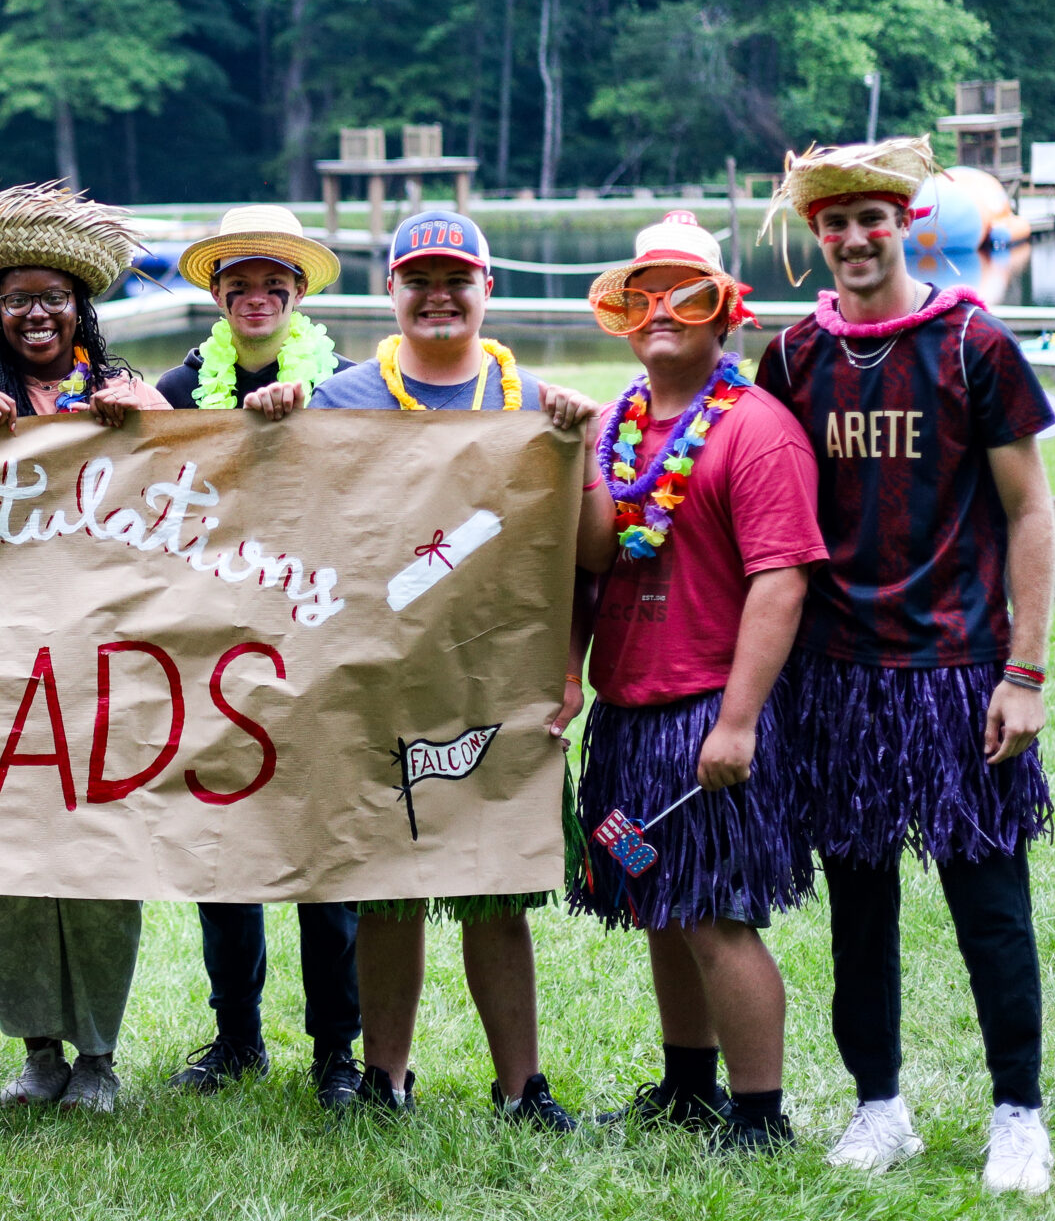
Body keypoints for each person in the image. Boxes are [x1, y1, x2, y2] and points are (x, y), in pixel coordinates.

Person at [755, 138, 1055, 1195]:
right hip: (838, 673)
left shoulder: (974, 343)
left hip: (959, 670)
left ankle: (1018, 1115)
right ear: (817, 236)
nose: (853, 238)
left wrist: (1026, 671)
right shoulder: (793, 358)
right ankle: (878, 1106)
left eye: (870, 219)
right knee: (858, 906)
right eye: (834, 223)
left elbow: (1031, 512)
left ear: (904, 224)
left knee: (989, 899)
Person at [300, 209, 599, 1122]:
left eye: (456, 279)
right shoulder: (339, 400)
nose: (438, 296)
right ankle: (384, 1078)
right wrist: (272, 425)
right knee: (386, 891)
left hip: (497, 681)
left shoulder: (536, 402)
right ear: (390, 289)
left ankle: (521, 1086)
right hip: (377, 678)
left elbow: (588, 556)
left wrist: (581, 449)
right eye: (419, 280)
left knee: (495, 886)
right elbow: (293, 534)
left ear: (486, 288)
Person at [0, 182, 171, 1114]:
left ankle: (99, 1055)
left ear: (80, 303)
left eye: (54, 296)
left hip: (103, 667)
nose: (37, 313)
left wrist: (154, 424)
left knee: (102, 856)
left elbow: (195, 494)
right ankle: (39, 1050)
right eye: (18, 298)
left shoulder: (124, 394)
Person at [565, 213, 824, 1153]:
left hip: (709, 711)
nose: (663, 310)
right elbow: (596, 559)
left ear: (725, 313)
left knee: (715, 915)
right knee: (658, 905)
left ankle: (760, 1115)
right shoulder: (613, 426)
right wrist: (566, 672)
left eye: (687, 293)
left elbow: (781, 580)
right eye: (643, 295)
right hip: (627, 712)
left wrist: (739, 721)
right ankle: (688, 1088)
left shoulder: (757, 429)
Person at [152, 205, 362, 1110]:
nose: (257, 295)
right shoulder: (177, 389)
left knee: (327, 852)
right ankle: (237, 1035)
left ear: (299, 291)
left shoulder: (346, 386)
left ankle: (337, 1050)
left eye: (276, 281)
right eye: (239, 282)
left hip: (318, 639)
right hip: (211, 645)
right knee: (222, 846)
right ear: (217, 294)